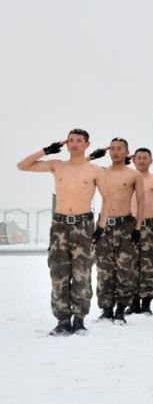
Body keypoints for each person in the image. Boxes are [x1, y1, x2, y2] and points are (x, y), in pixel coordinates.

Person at [17, 129, 110, 336]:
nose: (74, 143)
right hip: (59, 226)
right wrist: (46, 150)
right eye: (70, 140)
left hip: (83, 225)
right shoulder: (57, 166)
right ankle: (62, 320)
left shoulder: (95, 170)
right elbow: (22, 165)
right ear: (65, 144)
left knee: (82, 274)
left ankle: (79, 319)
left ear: (87, 144)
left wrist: (100, 227)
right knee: (58, 274)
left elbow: (107, 200)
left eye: (79, 140)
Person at [92, 138, 144, 324]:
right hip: (104, 225)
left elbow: (141, 202)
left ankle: (121, 309)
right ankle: (106, 309)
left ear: (126, 152)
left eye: (119, 149)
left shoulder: (133, 175)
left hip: (125, 225)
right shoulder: (101, 172)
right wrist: (93, 155)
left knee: (124, 269)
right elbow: (81, 168)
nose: (115, 152)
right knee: (104, 269)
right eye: (112, 148)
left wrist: (137, 228)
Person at [126, 147, 153, 316]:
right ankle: (133, 301)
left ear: (151, 161)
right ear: (133, 160)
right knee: (130, 264)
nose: (142, 160)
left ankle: (147, 302)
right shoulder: (127, 178)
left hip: (149, 225)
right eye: (139, 158)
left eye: (145, 158)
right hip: (129, 225)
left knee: (148, 265)